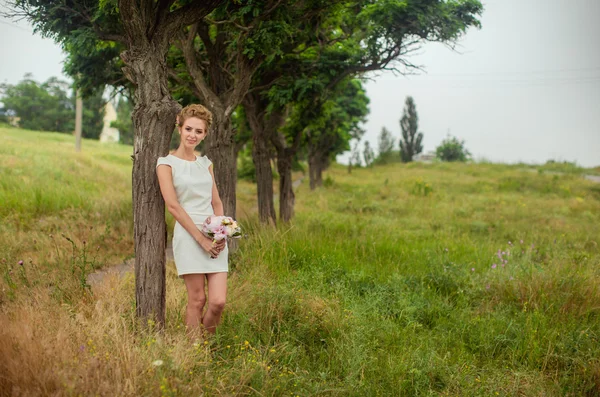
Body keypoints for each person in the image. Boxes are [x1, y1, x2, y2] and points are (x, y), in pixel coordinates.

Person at [156, 104, 228, 336]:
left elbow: (216, 202)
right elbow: (173, 206)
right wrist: (200, 239)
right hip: (189, 236)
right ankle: (194, 353)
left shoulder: (205, 164)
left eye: (199, 131)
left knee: (218, 302)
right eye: (188, 129)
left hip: (213, 234)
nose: (192, 135)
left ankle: (205, 346)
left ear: (205, 134)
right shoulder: (166, 163)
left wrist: (221, 234)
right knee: (197, 300)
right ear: (179, 127)